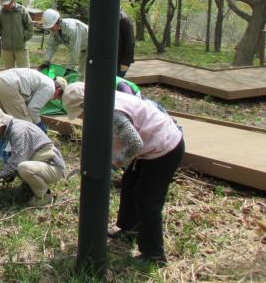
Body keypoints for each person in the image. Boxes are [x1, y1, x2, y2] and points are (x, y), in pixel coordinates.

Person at [62, 82, 185, 265]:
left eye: (80, 114)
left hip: (165, 147)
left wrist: (113, 164)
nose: (81, 118)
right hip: (148, 147)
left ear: (87, 104)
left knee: (147, 199)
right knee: (129, 185)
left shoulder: (113, 112)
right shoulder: (104, 102)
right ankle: (129, 230)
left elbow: (134, 144)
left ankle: (154, 255)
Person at [0, 105, 66, 207]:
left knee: (23, 167)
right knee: (17, 167)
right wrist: (7, 174)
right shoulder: (8, 130)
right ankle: (31, 187)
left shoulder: (18, 131)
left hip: (53, 167)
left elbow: (17, 160)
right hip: (41, 163)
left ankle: (44, 196)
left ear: (1, 123)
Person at [0, 68, 67, 133]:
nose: (55, 99)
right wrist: (39, 124)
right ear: (59, 89)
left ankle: (1, 146)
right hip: (8, 86)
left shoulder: (43, 79)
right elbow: (32, 108)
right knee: (26, 125)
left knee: (4, 119)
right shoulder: (50, 87)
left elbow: (26, 104)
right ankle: (21, 149)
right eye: (58, 97)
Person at [39, 9, 89, 79]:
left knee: (91, 73)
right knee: (81, 75)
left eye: (51, 26)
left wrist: (69, 68)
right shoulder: (55, 30)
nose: (50, 29)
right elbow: (51, 46)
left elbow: (74, 50)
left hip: (95, 46)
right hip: (84, 50)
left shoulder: (72, 29)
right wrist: (46, 62)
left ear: (57, 22)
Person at [0, 0, 34, 69]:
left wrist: (23, 37)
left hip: (21, 47)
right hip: (7, 49)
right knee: (9, 73)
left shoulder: (22, 11)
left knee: (25, 71)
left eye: (8, 3)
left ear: (13, 0)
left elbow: (30, 26)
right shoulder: (0, 14)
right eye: (4, 4)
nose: (6, 6)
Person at [118, 10, 135, 77]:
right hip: (110, 61)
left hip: (120, 61)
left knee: (116, 84)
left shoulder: (124, 18)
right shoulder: (109, 17)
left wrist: (125, 63)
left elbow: (130, 42)